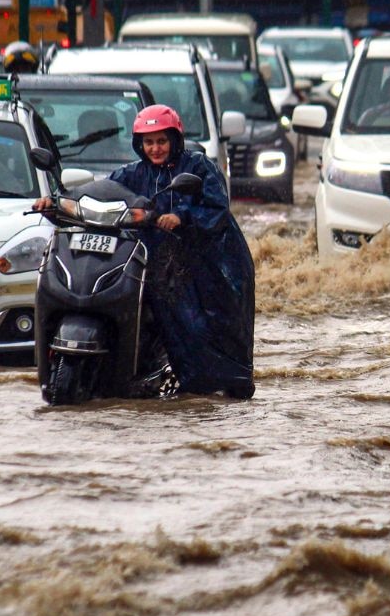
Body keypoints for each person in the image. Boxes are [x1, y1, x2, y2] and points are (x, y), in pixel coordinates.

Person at [33, 104, 255, 399]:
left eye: (162, 141)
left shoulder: (198, 167)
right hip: (151, 257)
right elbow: (100, 194)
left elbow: (216, 208)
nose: (156, 148)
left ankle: (211, 381)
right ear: (139, 144)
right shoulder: (131, 173)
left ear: (174, 140)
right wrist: (56, 202)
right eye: (149, 142)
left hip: (203, 259)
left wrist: (182, 218)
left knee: (200, 323)